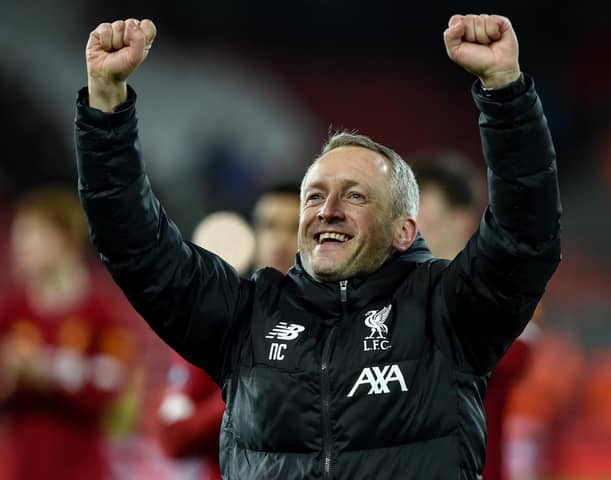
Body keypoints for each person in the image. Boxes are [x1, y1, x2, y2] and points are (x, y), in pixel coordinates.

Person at [75, 14, 561, 479]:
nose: (327, 210)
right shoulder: (246, 316)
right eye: (315, 195)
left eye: (354, 195)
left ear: (403, 231)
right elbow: (135, 246)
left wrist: (505, 93)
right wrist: (106, 109)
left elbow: (525, 237)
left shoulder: (447, 311)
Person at [155, 185, 300, 479]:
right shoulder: (212, 321)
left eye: (295, 228)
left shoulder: (338, 325)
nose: (281, 239)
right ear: (254, 235)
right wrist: (246, 391)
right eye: (269, 226)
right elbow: (173, 438)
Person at [411, 153, 539, 480]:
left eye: (422, 215)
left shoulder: (499, 292)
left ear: (462, 221)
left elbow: (516, 354)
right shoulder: (390, 297)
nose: (408, 228)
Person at [0, 187, 134, 480]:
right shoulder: (10, 312)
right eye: (17, 237)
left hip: (82, 469)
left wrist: (47, 371)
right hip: (20, 470)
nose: (19, 246)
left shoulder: (101, 312)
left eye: (31, 236)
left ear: (64, 240)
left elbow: (114, 387)